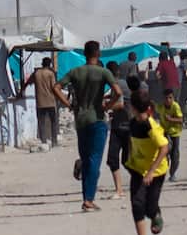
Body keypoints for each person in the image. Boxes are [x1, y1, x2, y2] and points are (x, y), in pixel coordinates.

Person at [57, 41, 119, 212]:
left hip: (80, 119)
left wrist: (69, 105)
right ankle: (89, 199)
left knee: (86, 159)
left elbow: (56, 87)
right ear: (98, 53)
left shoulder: (75, 72)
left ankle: (86, 196)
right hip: (97, 119)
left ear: (84, 53)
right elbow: (118, 92)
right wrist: (107, 106)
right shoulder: (103, 72)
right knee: (94, 160)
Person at [126, 91, 171, 235]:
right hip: (138, 170)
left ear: (135, 108)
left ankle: (156, 215)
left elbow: (164, 148)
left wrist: (152, 171)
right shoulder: (132, 124)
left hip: (157, 172)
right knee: (137, 206)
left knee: (150, 207)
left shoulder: (150, 126)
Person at [105, 62, 132, 199]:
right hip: (127, 125)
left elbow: (120, 103)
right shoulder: (124, 83)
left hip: (120, 125)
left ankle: (120, 189)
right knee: (126, 160)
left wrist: (105, 106)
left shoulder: (116, 85)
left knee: (113, 158)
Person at [25, 57, 62, 147]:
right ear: (49, 64)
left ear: (42, 63)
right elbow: (54, 87)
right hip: (50, 101)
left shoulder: (36, 73)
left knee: (41, 122)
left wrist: (19, 93)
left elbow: (27, 82)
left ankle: (43, 141)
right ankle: (54, 141)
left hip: (40, 102)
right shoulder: (50, 74)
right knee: (53, 122)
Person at [158, 88, 184, 181]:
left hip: (175, 133)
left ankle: (172, 174)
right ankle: (163, 171)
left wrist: (171, 119)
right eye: (166, 98)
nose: (168, 100)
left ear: (173, 98)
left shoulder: (175, 106)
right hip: (165, 133)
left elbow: (181, 120)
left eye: (170, 98)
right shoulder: (161, 107)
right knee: (165, 152)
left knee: (175, 155)